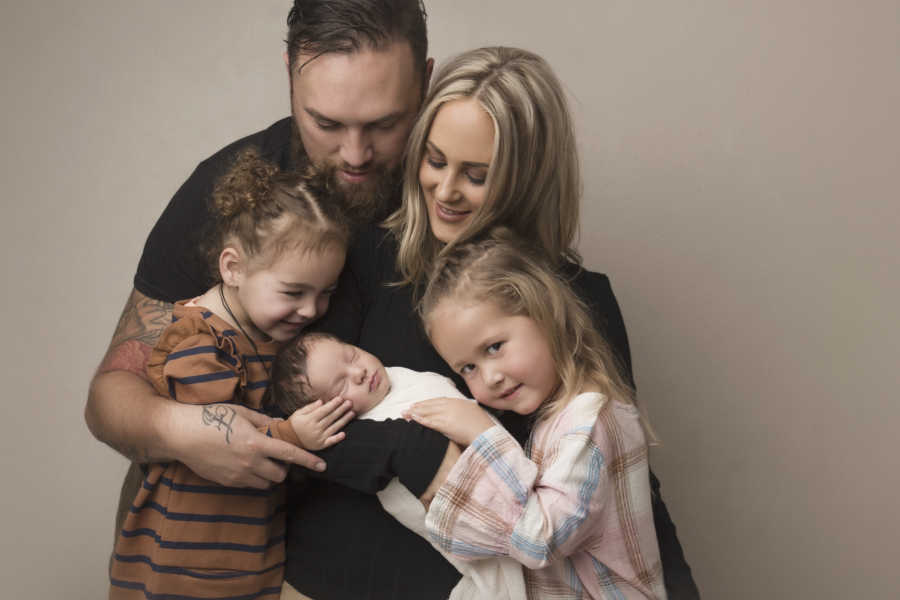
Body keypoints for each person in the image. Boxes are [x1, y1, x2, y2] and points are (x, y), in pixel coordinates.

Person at [84, 1, 697, 596]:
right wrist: (182, 428)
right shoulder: (273, 207)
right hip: (223, 545)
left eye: (384, 125)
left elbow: (622, 483)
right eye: (326, 123)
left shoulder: (570, 299)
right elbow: (122, 392)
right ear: (289, 74)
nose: (355, 154)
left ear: (425, 87)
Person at [288, 46, 698, 598]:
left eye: (476, 175)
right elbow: (297, 425)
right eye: (434, 161)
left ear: (524, 179)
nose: (446, 190)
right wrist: (413, 452)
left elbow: (624, 482)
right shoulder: (370, 257)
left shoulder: (580, 300)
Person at [108, 150, 356, 599]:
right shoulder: (198, 340)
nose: (312, 310)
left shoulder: (266, 337)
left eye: (326, 292)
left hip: (245, 560)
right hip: (182, 565)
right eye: (294, 291)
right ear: (233, 268)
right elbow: (226, 433)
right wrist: (296, 435)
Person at [405, 230, 665, 599]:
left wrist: (485, 438)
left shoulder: (589, 422)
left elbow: (541, 540)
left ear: (545, 314)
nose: (490, 377)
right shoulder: (557, 418)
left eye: (494, 347)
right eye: (468, 369)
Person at [269, 333, 528, 599]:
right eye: (340, 386)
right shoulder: (367, 431)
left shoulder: (396, 376)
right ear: (325, 415)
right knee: (505, 578)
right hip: (477, 523)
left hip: (514, 469)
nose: (358, 372)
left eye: (351, 355)